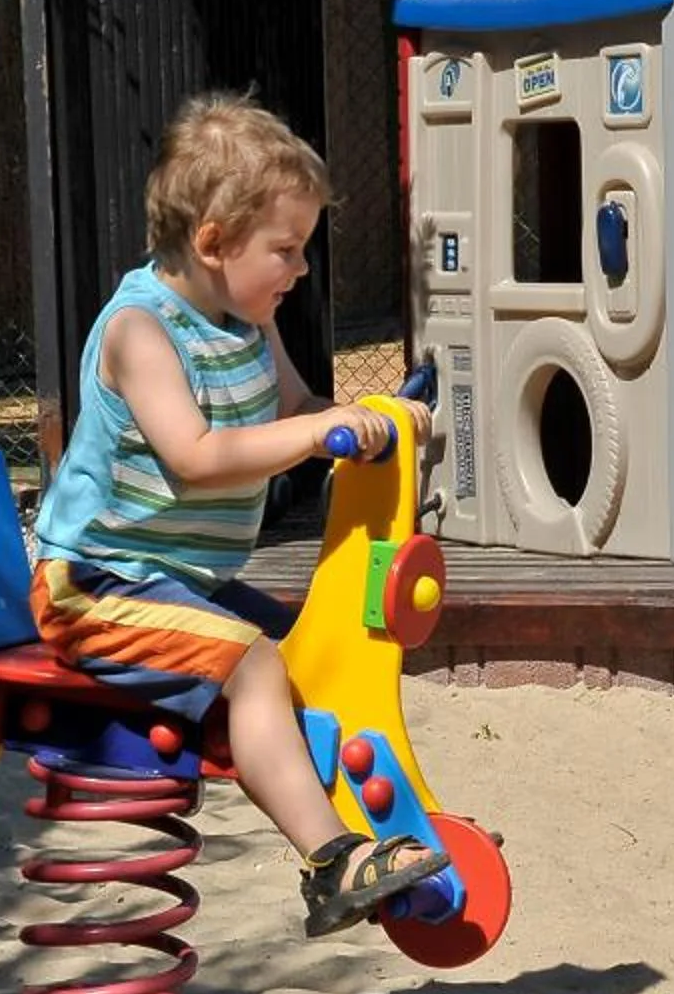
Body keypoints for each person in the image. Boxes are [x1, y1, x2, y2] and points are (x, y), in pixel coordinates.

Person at [31, 92, 448, 927]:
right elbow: (195, 460)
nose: (300, 270)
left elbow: (299, 408)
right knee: (254, 664)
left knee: (309, 648)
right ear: (213, 242)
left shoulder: (250, 322)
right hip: (92, 588)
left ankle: (388, 831)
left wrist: (375, 429)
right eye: (285, 250)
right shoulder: (140, 333)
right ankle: (332, 860)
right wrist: (316, 432)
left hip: (181, 581)